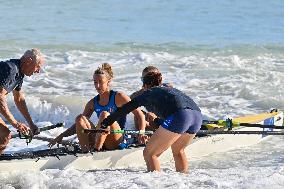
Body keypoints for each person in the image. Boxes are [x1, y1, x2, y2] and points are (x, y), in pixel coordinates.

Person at [100, 71, 202, 173]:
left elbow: (124, 109)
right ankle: (184, 180)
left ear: (144, 85)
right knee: (178, 151)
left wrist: (106, 123)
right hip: (197, 116)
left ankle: (155, 184)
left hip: (181, 116)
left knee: (150, 154)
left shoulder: (148, 93)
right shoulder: (169, 89)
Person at [48, 63, 146, 152]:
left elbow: (140, 115)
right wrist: (61, 136)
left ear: (108, 81)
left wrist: (141, 133)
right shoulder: (92, 103)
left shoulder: (119, 97)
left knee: (104, 115)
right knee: (80, 118)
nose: (97, 86)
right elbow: (77, 126)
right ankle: (85, 151)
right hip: (100, 135)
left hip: (116, 138)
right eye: (95, 82)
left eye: (101, 82)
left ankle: (96, 149)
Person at [0, 48, 45, 154]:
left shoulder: (19, 74)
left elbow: (19, 99)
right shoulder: (11, 69)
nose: (38, 71)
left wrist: (31, 123)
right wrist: (16, 124)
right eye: (38, 66)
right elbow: (0, 97)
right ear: (29, 61)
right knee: (4, 134)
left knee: (4, 136)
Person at [130, 66, 172, 131]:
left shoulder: (166, 89)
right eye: (145, 79)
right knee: (139, 114)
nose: (149, 81)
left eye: (152, 79)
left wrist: (156, 117)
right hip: (154, 122)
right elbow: (127, 100)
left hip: (169, 123)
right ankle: (138, 138)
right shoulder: (142, 93)